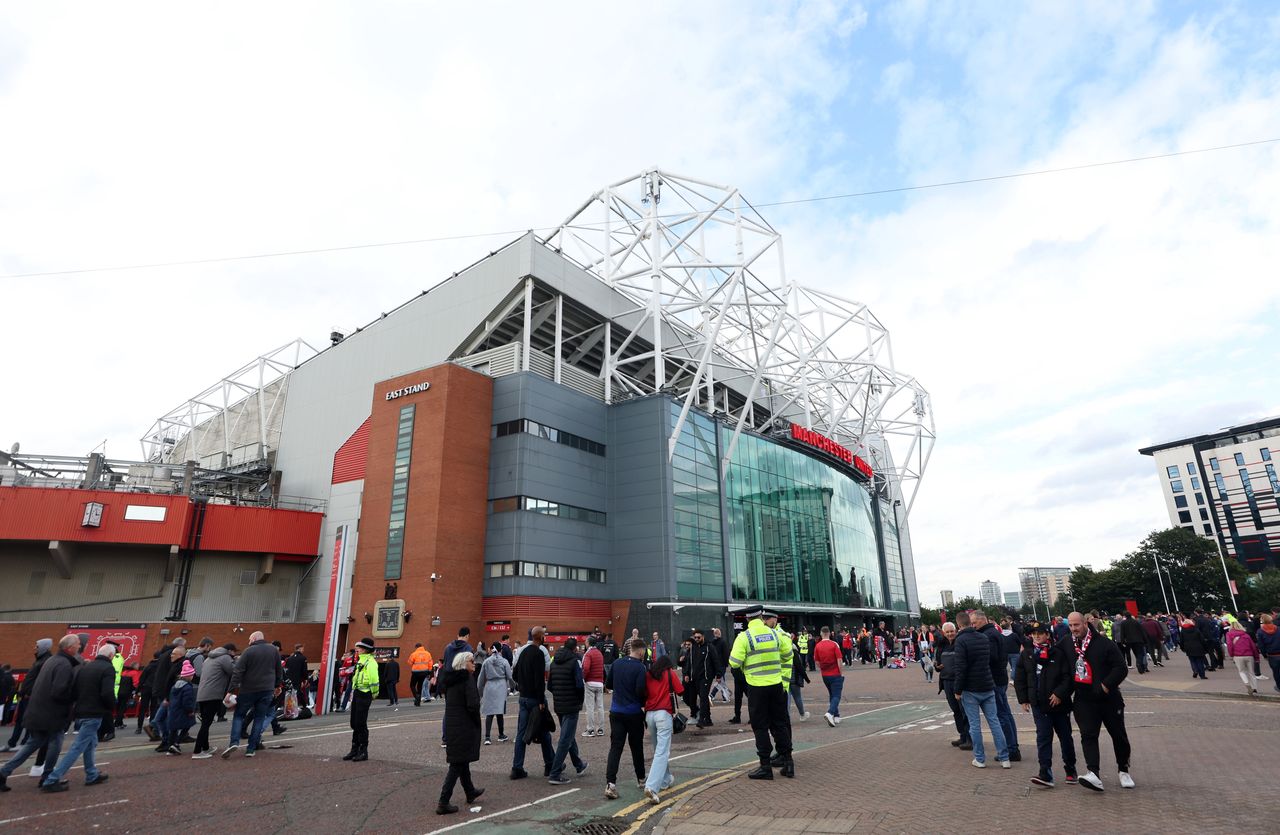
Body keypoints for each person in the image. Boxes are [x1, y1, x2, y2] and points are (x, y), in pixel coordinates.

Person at [1062, 611, 1133, 791]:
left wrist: (1106, 685)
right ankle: (1093, 773)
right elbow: (1054, 658)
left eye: (1076, 625)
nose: (1073, 629)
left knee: (1118, 735)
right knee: (1088, 735)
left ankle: (1124, 769)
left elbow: (1120, 667)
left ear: (1085, 623)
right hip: (1083, 699)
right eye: (1070, 626)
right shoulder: (1066, 643)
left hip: (1109, 698)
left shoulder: (1104, 643)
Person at [0, 635, 80, 792]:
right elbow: (59, 691)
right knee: (55, 744)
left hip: (38, 710)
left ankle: (3, 772)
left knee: (33, 743)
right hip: (52, 713)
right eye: (77, 644)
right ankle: (48, 779)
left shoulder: (51, 661)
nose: (79, 647)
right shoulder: (64, 664)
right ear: (69, 648)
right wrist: (74, 696)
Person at [38, 643, 116, 792]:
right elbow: (107, 693)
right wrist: (111, 706)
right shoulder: (107, 668)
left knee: (90, 744)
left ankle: (92, 774)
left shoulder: (86, 667)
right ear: (111, 656)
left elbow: (75, 689)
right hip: (95, 712)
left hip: (81, 711)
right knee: (78, 746)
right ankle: (52, 779)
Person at [728, 606, 794, 780]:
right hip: (777, 685)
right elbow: (787, 655)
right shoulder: (775, 634)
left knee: (760, 727)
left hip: (757, 688)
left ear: (747, 619)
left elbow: (734, 663)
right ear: (761, 617)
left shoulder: (744, 637)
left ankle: (765, 766)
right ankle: (788, 763)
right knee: (780, 724)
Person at [1014, 621, 1076, 788]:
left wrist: (1059, 694)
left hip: (1059, 705)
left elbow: (1068, 677)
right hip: (1039, 704)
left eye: (1040, 633)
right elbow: (1020, 678)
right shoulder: (1027, 654)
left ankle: (1070, 769)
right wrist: (1024, 699)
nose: (1036, 636)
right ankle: (1045, 772)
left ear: (1047, 634)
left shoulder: (1058, 653)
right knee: (1043, 738)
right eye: (1034, 634)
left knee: (1065, 737)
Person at [951, 611, 1009, 769]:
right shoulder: (983, 637)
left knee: (974, 725)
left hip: (971, 688)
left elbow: (961, 667)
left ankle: (980, 758)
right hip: (987, 684)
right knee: (994, 722)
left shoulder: (961, 641)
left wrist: (958, 689)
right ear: (970, 622)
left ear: (958, 625)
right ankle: (1005, 757)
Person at [436, 652, 485, 815]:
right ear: (464, 663)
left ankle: (470, 791)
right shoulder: (467, 679)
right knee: (457, 764)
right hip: (464, 724)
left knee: (461, 760)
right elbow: (472, 704)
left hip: (452, 723)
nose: (474, 664)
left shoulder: (451, 681)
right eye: (471, 661)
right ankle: (443, 801)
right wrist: (476, 721)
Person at [221, 631, 282, 760]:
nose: (248, 641)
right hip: (266, 689)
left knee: (239, 716)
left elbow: (238, 671)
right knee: (259, 718)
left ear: (254, 638)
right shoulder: (273, 650)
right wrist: (277, 686)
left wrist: (230, 691)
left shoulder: (248, 651)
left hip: (248, 689)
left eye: (249, 639)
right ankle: (251, 748)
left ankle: (234, 742)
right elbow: (278, 670)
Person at [973, 610, 1021, 762]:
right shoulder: (994, 632)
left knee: (1001, 715)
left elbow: (991, 657)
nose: (973, 626)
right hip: (1000, 677)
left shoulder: (988, 635)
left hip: (994, 679)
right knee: (1005, 713)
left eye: (975, 622)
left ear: (983, 620)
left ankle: (1011, 748)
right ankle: (1013, 746)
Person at [603, 637, 648, 799]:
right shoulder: (640, 667)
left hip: (616, 711)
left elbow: (608, 685)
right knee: (636, 747)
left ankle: (610, 783)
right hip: (634, 712)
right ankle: (641, 779)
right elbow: (640, 690)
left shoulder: (616, 663)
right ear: (641, 651)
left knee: (616, 747)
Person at [510, 626, 554, 781]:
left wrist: (522, 684)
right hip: (535, 699)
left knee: (521, 733)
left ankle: (517, 767)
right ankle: (550, 764)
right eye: (544, 635)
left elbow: (514, 673)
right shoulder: (539, 653)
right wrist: (541, 700)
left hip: (523, 697)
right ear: (540, 637)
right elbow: (539, 681)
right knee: (544, 731)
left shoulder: (523, 652)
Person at [546, 637, 589, 785]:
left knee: (568, 735)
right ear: (575, 648)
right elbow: (579, 684)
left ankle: (578, 765)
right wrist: (579, 701)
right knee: (565, 739)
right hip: (571, 705)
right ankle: (555, 772)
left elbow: (549, 686)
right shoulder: (574, 662)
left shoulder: (554, 662)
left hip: (559, 704)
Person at [642, 654, 683, 803]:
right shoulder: (669, 673)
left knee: (658, 749)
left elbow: (643, 692)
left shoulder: (648, 674)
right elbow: (680, 690)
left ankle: (666, 780)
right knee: (662, 752)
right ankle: (651, 787)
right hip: (663, 714)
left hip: (649, 714)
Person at [4, 638, 52, 754]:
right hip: (26, 696)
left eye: (36, 646)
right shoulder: (39, 660)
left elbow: (41, 680)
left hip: (32, 697)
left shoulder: (45, 661)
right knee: (20, 719)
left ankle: (24, 743)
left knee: (29, 721)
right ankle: (12, 743)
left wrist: (30, 693)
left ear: (43, 647)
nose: (34, 648)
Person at [192, 643, 235, 758]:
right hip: (213, 694)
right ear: (230, 651)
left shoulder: (208, 659)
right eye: (234, 652)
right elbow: (233, 671)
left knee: (206, 721)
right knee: (206, 723)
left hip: (202, 694)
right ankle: (197, 751)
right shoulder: (225, 657)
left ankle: (205, 747)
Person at [340, 638, 379, 762]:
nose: (358, 649)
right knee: (354, 722)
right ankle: (354, 749)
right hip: (357, 693)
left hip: (365, 694)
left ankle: (363, 750)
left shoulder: (371, 662)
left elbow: (374, 680)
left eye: (360, 648)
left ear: (366, 650)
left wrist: (374, 693)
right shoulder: (360, 661)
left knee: (361, 723)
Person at [934, 622, 970, 750]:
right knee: (955, 710)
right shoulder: (941, 645)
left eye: (952, 631)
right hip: (946, 681)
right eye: (947, 632)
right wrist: (937, 667)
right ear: (943, 633)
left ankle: (969, 738)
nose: (950, 634)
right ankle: (962, 735)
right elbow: (937, 663)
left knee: (964, 710)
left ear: (956, 630)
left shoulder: (960, 643)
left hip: (958, 681)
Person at [157, 661, 197, 755]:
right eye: (192, 675)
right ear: (188, 676)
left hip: (173, 711)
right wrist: (190, 710)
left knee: (173, 729)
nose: (192, 677)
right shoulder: (187, 687)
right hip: (183, 711)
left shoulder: (175, 686)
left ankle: (171, 746)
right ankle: (176, 744)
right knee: (187, 725)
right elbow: (187, 701)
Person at [478, 647, 514, 744]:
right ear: (500, 650)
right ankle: (501, 734)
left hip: (489, 686)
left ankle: (487, 737)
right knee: (499, 711)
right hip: (501, 686)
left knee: (489, 713)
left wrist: (480, 692)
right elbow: (510, 676)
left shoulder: (486, 661)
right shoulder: (504, 661)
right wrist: (513, 686)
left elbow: (480, 679)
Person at [813, 626, 844, 727]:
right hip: (835, 673)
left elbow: (816, 661)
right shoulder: (834, 644)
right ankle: (830, 713)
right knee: (837, 695)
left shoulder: (817, 646)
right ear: (829, 633)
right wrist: (841, 672)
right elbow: (839, 660)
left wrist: (822, 668)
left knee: (832, 694)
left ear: (821, 634)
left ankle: (836, 715)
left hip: (825, 674)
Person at [1225, 620, 1261, 696]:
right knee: (1251, 672)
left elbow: (1229, 645)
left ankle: (1247, 684)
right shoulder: (1246, 635)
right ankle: (1254, 688)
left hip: (1237, 655)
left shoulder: (1229, 634)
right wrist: (1256, 657)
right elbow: (1253, 647)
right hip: (1249, 655)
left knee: (1242, 671)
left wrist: (1231, 655)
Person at [581, 636, 606, 738]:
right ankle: (600, 729)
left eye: (586, 642)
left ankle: (590, 729)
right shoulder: (599, 653)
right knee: (600, 707)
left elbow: (586, 668)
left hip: (590, 682)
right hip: (599, 682)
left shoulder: (588, 654)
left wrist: (583, 678)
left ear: (588, 643)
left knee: (590, 707)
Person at [788, 638, 810, 720]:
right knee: (797, 697)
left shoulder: (781, 652)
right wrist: (806, 678)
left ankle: (787, 716)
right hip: (795, 679)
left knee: (787, 699)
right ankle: (802, 714)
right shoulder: (794, 652)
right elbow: (799, 667)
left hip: (785, 679)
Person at [1257, 614, 1280, 692]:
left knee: (1276, 672)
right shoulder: (1278, 629)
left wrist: (1264, 655)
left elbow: (1261, 645)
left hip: (1272, 655)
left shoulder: (1260, 631)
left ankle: (1279, 686)